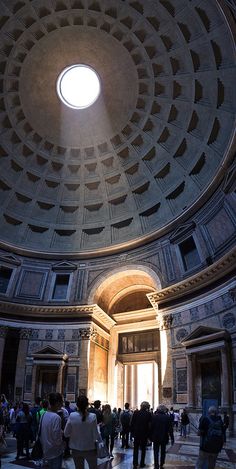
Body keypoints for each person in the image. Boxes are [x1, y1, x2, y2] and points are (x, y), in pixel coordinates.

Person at [64, 394, 100, 469]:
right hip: (89, 448)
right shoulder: (93, 416)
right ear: (87, 405)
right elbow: (96, 435)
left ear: (77, 405)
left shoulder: (72, 415)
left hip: (75, 448)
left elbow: (66, 433)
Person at [40, 392, 64, 469]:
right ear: (57, 403)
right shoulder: (56, 417)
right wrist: (63, 444)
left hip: (45, 450)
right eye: (61, 402)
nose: (62, 404)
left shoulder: (43, 414)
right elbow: (57, 438)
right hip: (55, 452)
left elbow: (40, 433)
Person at [151, 404, 174, 469]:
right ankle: (161, 463)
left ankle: (156, 464)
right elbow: (170, 429)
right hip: (164, 437)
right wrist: (172, 438)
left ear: (158, 410)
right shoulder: (167, 417)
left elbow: (151, 428)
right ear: (164, 410)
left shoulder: (154, 417)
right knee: (163, 451)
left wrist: (150, 437)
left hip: (155, 437)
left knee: (156, 451)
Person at [130, 401, 152, 469]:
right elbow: (150, 425)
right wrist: (149, 435)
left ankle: (135, 463)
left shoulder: (136, 412)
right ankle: (142, 463)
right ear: (146, 407)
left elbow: (132, 423)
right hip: (144, 434)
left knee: (135, 449)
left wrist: (132, 433)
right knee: (143, 449)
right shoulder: (148, 414)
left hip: (136, 434)